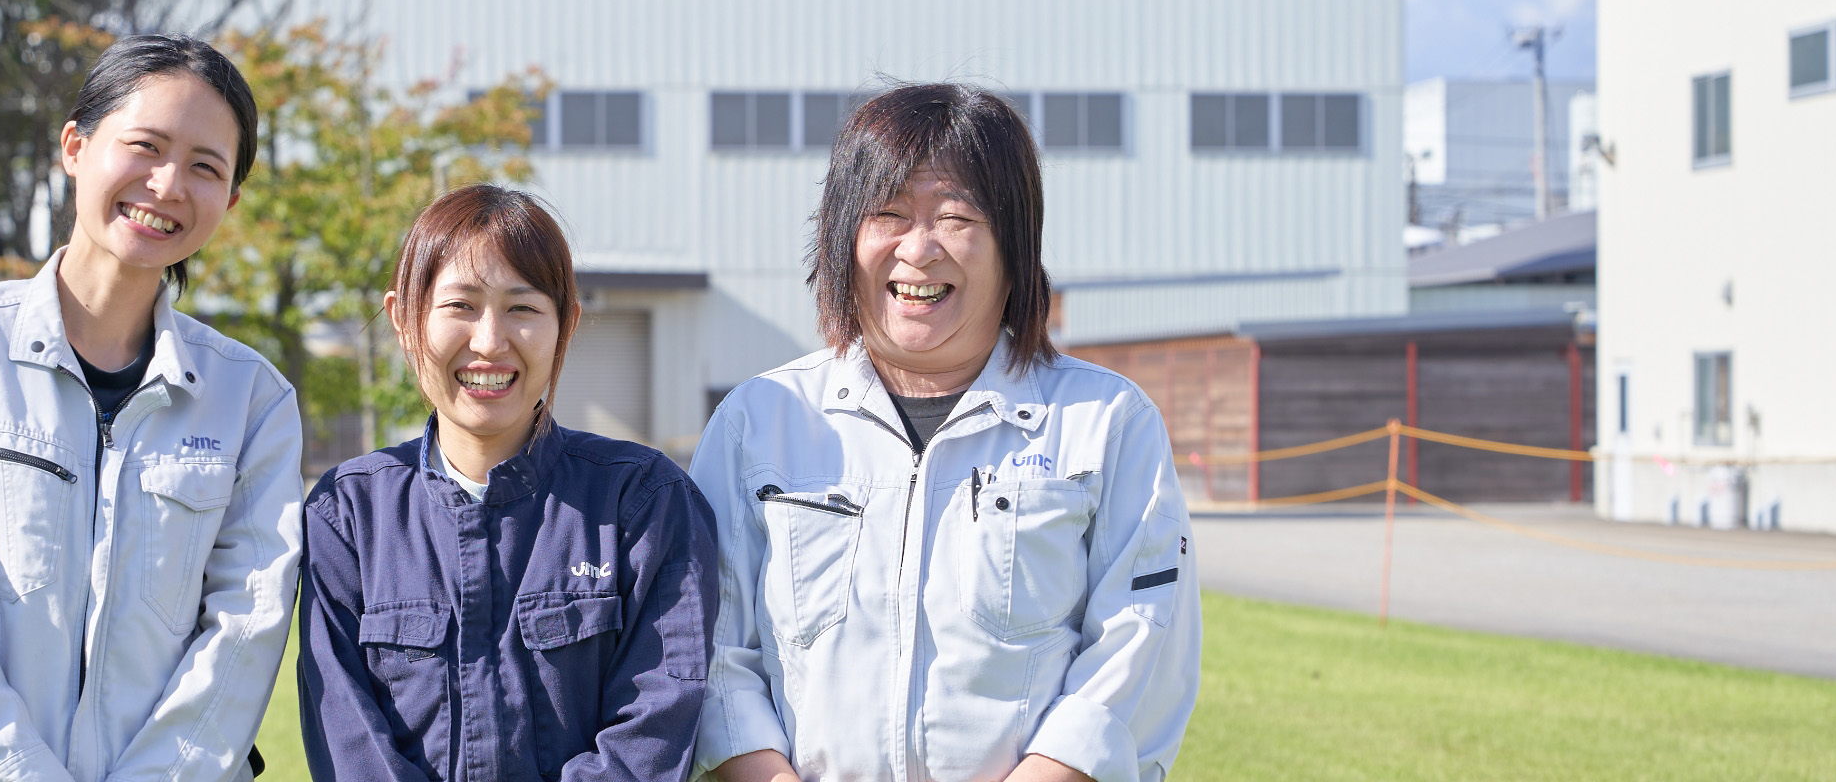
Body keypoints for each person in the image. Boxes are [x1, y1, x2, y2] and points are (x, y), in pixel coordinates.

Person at [692, 83, 1200, 782]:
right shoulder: (760, 421)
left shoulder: (1106, 422)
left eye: (957, 216)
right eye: (889, 213)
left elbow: (1138, 647)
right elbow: (710, 652)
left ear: (1014, 244)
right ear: (843, 238)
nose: (919, 249)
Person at [0, 34, 302, 781]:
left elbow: (245, 632)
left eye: (205, 167)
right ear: (75, 146)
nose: (167, 184)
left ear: (229, 198)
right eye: (145, 146)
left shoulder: (252, 399)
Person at [298, 185, 719, 782]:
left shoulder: (644, 501)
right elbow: (350, 742)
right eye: (460, 306)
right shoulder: (348, 515)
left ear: (566, 324)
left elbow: (655, 727)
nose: (490, 342)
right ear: (403, 319)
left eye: (522, 309)